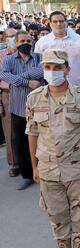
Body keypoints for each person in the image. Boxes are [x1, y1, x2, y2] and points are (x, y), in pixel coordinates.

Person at [25, 49, 80, 248]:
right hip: (48, 168)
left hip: (78, 167)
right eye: (48, 67)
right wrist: (34, 166)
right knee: (57, 214)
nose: (53, 71)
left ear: (67, 69)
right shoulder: (34, 98)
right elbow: (32, 134)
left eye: (58, 67)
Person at [0, 30, 43, 190]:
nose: (26, 43)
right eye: (22, 41)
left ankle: (44, 172)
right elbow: (3, 75)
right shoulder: (9, 59)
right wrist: (27, 82)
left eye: (28, 41)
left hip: (40, 107)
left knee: (43, 141)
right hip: (18, 108)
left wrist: (18, 78)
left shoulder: (40, 57)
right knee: (22, 143)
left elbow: (43, 70)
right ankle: (27, 175)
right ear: (16, 43)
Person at [34, 11, 80, 91]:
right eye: (55, 21)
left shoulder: (78, 39)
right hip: (53, 90)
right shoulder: (42, 43)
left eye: (61, 21)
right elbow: (38, 67)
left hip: (79, 87)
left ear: (66, 23)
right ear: (50, 23)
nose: (58, 24)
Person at [0, 28, 18, 177]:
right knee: (10, 133)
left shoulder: (26, 53)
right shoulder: (1, 56)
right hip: (7, 94)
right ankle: (14, 164)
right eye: (9, 37)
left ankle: (31, 162)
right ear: (4, 39)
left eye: (15, 36)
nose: (12, 39)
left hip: (25, 94)